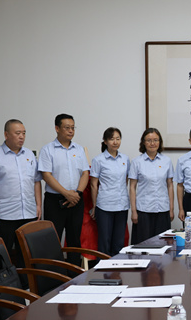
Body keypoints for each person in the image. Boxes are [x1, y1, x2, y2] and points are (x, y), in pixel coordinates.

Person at [0, 119, 42, 266]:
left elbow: (36, 181)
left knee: (27, 255)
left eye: (24, 133)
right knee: (3, 255)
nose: (22, 136)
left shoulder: (29, 155)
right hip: (5, 215)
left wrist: (38, 205)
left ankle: (25, 280)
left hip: (28, 213)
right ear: (6, 134)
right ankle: (4, 281)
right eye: (18, 133)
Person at [38, 113, 90, 265]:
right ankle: (54, 274)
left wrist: (77, 194)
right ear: (57, 128)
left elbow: (85, 173)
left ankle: (74, 273)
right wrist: (67, 194)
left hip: (76, 200)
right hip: (55, 201)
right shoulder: (47, 150)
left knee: (74, 239)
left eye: (73, 127)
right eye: (67, 127)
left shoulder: (79, 149)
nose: (71, 131)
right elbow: (46, 175)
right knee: (53, 240)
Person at [129, 127, 174, 243]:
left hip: (162, 209)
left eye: (155, 140)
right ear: (143, 142)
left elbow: (170, 185)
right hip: (144, 210)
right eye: (149, 140)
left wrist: (171, 209)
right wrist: (133, 211)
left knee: (163, 244)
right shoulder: (136, 162)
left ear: (160, 142)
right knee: (144, 245)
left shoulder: (167, 161)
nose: (152, 143)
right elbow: (132, 187)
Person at [89, 127, 130, 256]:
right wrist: (94, 206)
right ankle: (102, 268)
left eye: (118, 138)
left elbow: (125, 180)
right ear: (105, 141)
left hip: (122, 205)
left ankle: (117, 268)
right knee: (104, 243)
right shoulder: (98, 160)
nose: (115, 142)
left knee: (119, 243)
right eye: (112, 139)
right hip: (105, 206)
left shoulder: (125, 159)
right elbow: (93, 185)